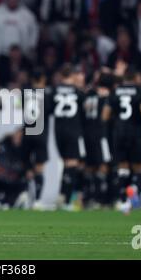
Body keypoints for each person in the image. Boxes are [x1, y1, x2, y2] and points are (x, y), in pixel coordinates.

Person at [102, 69, 141, 214]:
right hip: (135, 134)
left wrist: (116, 119)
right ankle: (134, 190)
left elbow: (105, 116)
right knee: (139, 167)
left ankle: (124, 201)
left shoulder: (115, 92)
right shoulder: (140, 92)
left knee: (122, 168)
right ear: (136, 77)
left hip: (118, 134)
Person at [51, 66, 86, 211]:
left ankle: (63, 196)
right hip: (73, 130)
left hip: (58, 132)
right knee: (72, 164)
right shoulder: (78, 92)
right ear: (72, 75)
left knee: (66, 163)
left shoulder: (54, 91)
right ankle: (65, 199)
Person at [21, 71, 50, 209]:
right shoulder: (47, 93)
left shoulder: (24, 92)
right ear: (43, 79)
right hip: (40, 134)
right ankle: (37, 201)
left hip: (27, 133)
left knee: (27, 167)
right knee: (39, 168)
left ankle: (26, 196)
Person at [83, 73, 112, 207]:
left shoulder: (87, 95)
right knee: (103, 165)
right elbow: (105, 116)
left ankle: (88, 196)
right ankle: (101, 197)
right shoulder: (106, 96)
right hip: (101, 134)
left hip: (87, 134)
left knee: (90, 166)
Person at [0, 129, 28, 209]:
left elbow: (29, 168)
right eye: (16, 134)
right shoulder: (5, 143)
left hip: (14, 183)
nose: (17, 137)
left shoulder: (26, 148)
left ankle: (19, 200)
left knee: (7, 204)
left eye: (20, 135)